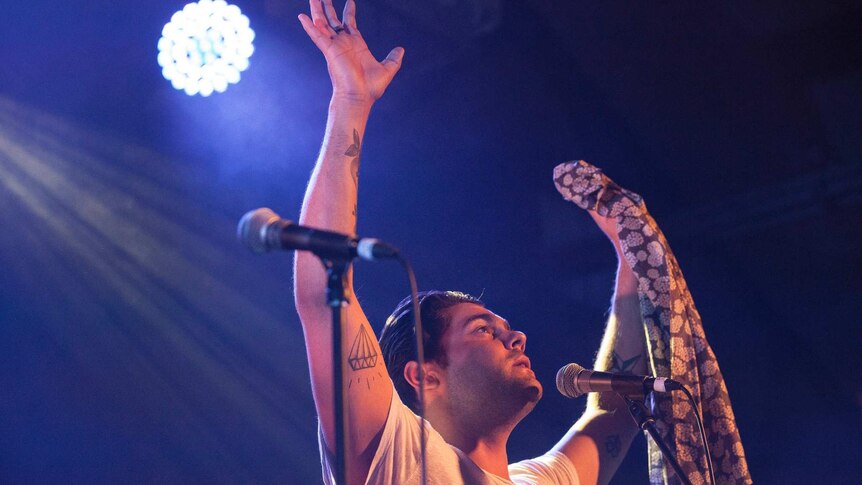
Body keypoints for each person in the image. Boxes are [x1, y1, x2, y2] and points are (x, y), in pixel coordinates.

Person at [294, 1, 655, 483]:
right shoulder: (398, 456)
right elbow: (324, 291)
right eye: (483, 330)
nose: (517, 336)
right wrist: (351, 102)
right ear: (424, 376)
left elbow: (619, 403)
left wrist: (633, 258)